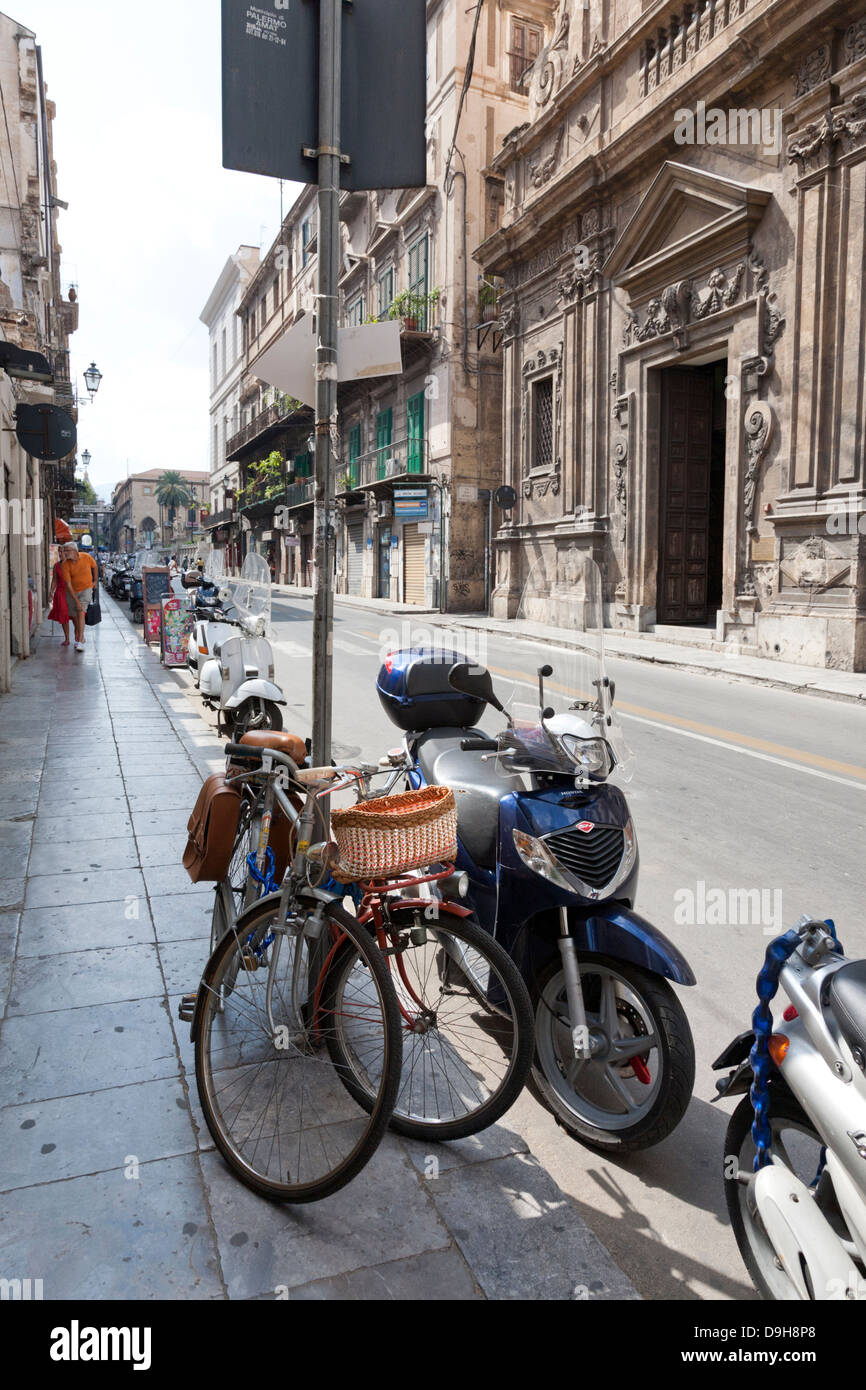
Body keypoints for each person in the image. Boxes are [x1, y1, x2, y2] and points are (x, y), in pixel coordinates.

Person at [60, 542, 99, 653]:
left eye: (67, 551)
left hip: (86, 589)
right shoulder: (65, 564)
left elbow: (95, 566)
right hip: (72, 591)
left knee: (81, 611)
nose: (64, 553)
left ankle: (80, 639)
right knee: (74, 616)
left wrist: (95, 581)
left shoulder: (86, 557)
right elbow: (68, 584)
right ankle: (78, 632)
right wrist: (76, 601)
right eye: (64, 551)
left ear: (74, 551)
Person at [47, 551, 71, 646]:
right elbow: (54, 580)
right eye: (59, 552)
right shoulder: (56, 566)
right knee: (63, 615)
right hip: (60, 593)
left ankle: (79, 637)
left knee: (75, 616)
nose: (61, 554)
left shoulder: (72, 564)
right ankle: (67, 638)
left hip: (72, 592)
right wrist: (51, 592)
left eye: (63, 552)